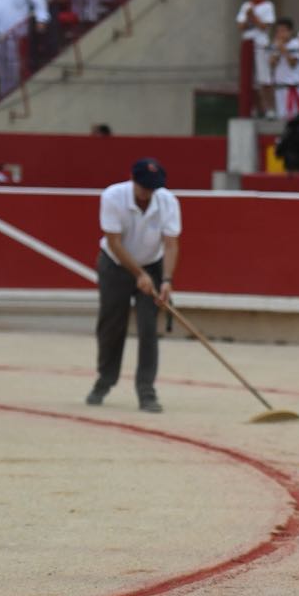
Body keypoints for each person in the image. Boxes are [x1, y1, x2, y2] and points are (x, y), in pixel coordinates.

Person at [86, 159, 181, 413]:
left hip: (153, 264)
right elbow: (114, 242)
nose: (148, 192)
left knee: (148, 329)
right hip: (115, 266)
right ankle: (105, 380)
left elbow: (171, 243)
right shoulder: (113, 196)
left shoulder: (168, 201)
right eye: (144, 186)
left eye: (153, 187)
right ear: (132, 179)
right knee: (111, 326)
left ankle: (146, 392)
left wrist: (167, 280)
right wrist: (139, 274)